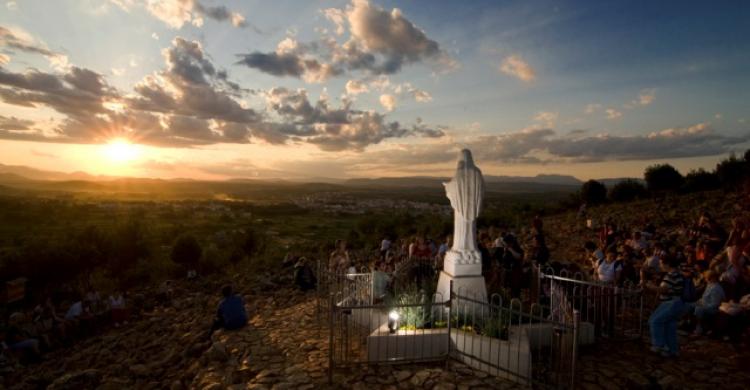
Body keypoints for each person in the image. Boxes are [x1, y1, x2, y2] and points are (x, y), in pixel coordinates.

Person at [646, 256, 686, 357]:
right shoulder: (678, 274)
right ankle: (672, 350)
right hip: (676, 302)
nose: (660, 265)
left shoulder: (672, 275)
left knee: (655, 321)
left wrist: (650, 286)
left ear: (667, 264)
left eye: (661, 263)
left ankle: (658, 345)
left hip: (670, 303)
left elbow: (664, 289)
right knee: (669, 326)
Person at [688, 270, 725, 335]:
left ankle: (699, 327)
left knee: (699, 309)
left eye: (707, 278)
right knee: (690, 304)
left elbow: (715, 304)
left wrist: (703, 305)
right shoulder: (710, 285)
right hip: (705, 304)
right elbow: (704, 297)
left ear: (713, 278)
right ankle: (689, 323)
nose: (706, 279)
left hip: (713, 308)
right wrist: (699, 301)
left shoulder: (716, 288)